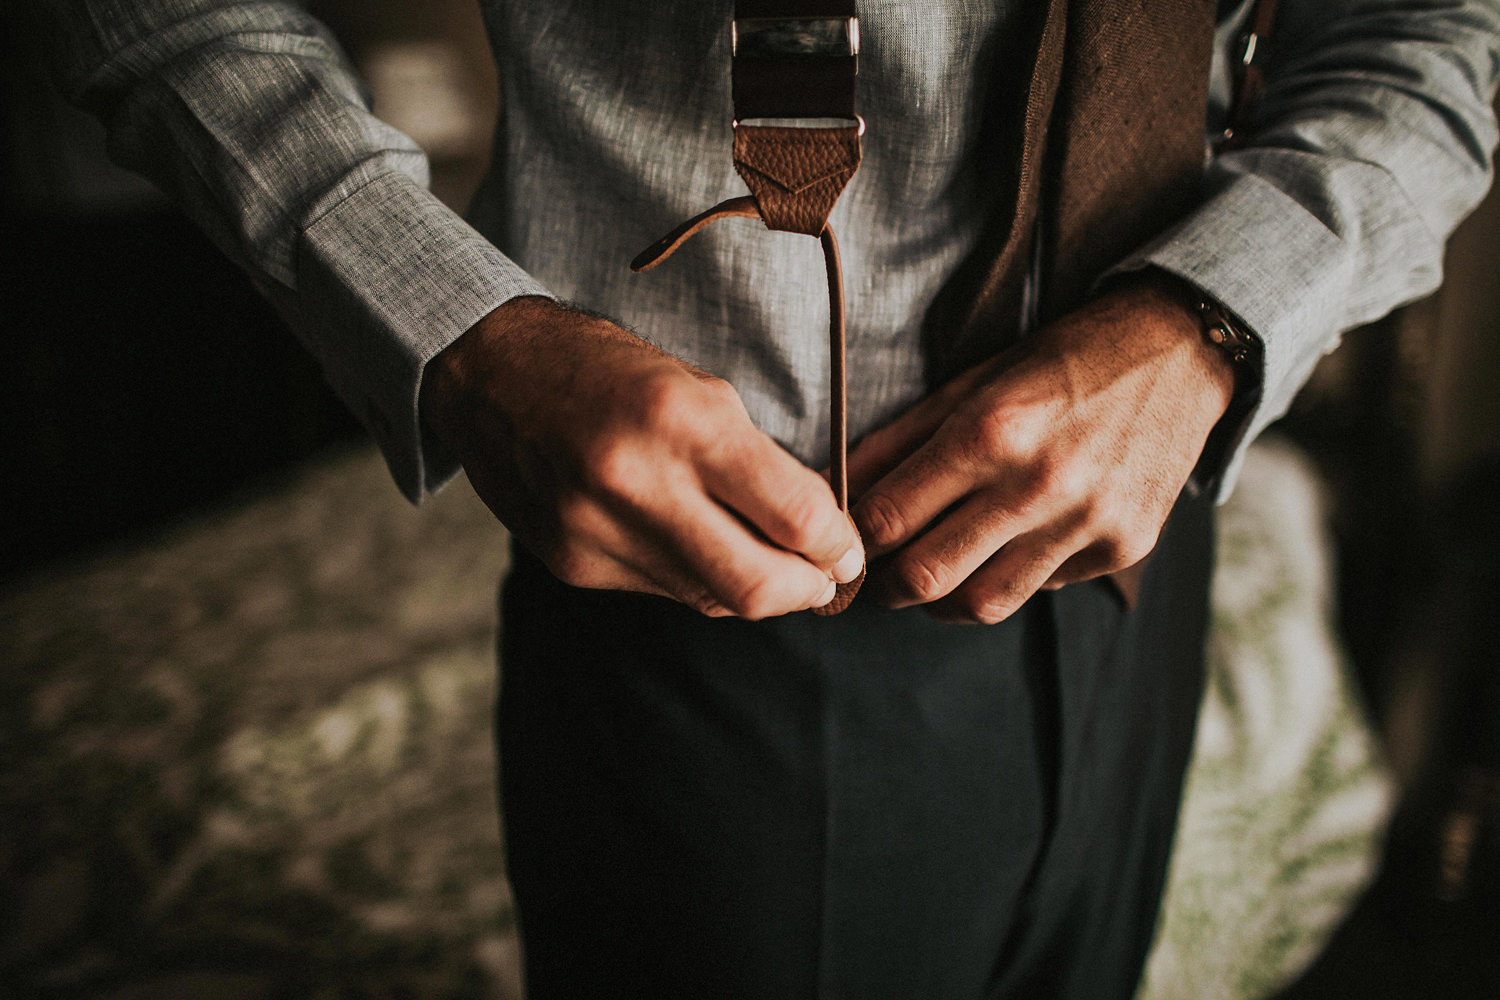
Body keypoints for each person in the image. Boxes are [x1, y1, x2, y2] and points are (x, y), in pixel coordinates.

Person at [44, 0, 1500, 996]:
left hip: (1151, 539)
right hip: (718, 625)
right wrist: (454, 334)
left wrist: (1215, 322)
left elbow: (1426, 35)